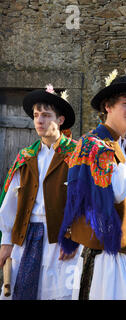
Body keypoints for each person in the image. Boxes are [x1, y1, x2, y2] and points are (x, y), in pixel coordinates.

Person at [57, 67, 126, 300]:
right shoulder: (93, 144)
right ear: (108, 106)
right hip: (109, 255)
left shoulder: (119, 145)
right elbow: (114, 192)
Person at [0, 85, 80, 299]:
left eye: (46, 115)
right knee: (21, 291)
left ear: (60, 120)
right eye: (36, 115)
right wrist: (6, 241)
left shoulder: (76, 154)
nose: (39, 121)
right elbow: (10, 202)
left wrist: (74, 236)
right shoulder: (26, 156)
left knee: (57, 293)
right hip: (26, 236)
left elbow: (86, 200)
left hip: (61, 238)